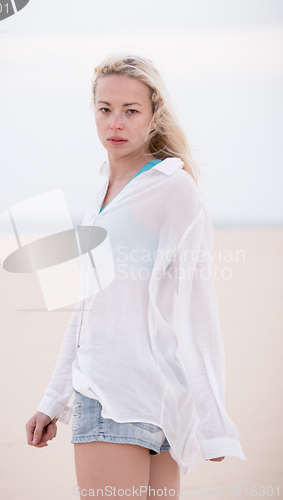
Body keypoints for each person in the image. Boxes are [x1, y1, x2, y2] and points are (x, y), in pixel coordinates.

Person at [26, 53, 246, 498]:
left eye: (130, 111)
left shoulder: (172, 187)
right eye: (105, 109)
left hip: (158, 403)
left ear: (154, 116)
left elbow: (198, 305)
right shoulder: (102, 193)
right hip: (108, 388)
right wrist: (53, 400)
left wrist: (213, 417)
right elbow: (89, 310)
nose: (115, 123)